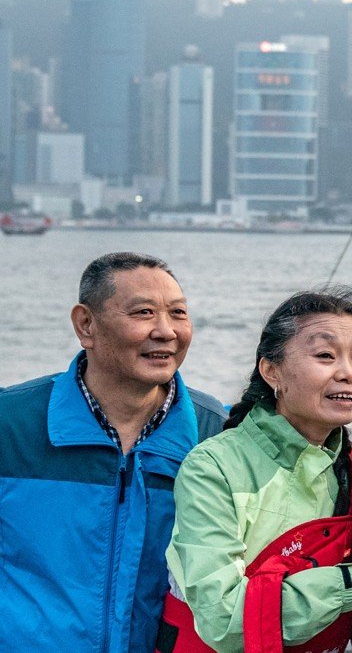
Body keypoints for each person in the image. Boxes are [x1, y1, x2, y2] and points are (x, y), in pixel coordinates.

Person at [161, 288, 352, 653]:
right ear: (271, 371)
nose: (348, 373)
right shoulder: (213, 467)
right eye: (325, 355)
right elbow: (224, 618)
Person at [0, 251, 225, 653]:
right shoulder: (11, 424)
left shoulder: (217, 435)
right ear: (86, 324)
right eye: (143, 313)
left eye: (178, 313)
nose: (166, 331)